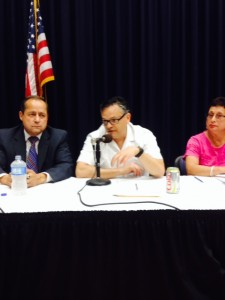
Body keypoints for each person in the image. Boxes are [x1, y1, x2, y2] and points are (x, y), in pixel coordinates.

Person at [76, 96, 165, 179]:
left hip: (138, 189)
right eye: (105, 121)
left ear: (128, 118)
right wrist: (121, 171)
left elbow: (160, 171)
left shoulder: (144, 134)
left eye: (114, 120)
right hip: (107, 188)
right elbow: (80, 171)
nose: (109, 126)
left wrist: (139, 152)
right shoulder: (95, 137)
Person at [0, 95, 74, 188]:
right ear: (21, 115)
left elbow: (66, 165)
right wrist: (5, 178)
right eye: (32, 114)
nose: (37, 120)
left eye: (42, 115)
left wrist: (40, 178)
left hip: (45, 191)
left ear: (47, 118)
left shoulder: (58, 136)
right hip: (15, 190)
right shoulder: (4, 137)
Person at [184, 96, 225, 176]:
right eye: (210, 115)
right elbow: (191, 169)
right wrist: (221, 169)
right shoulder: (196, 141)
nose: (213, 119)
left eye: (219, 116)